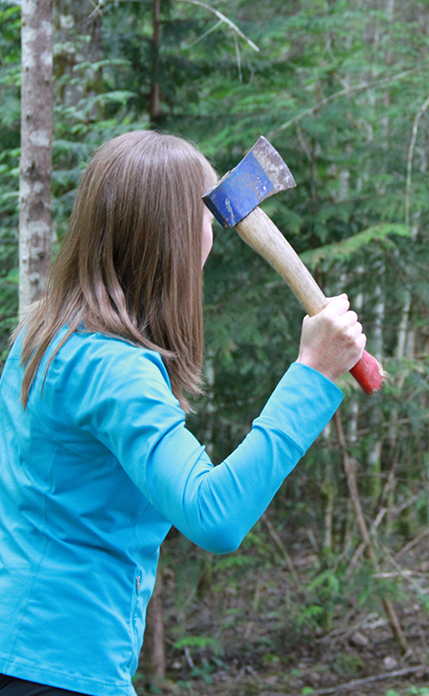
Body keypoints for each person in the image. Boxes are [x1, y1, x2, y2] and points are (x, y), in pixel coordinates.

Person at [0, 131, 366, 696]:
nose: (214, 232)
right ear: (173, 232)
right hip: (61, 670)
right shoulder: (116, 369)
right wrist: (312, 374)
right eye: (205, 212)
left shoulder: (41, 335)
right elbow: (213, 514)